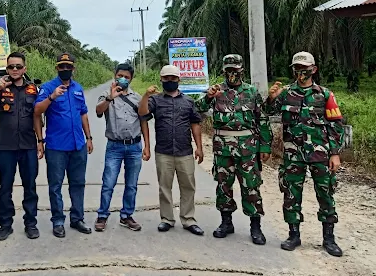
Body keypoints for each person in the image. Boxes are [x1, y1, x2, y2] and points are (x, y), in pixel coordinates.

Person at [264, 51, 344, 257]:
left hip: (321, 154)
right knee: (291, 193)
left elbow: (336, 126)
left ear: (314, 69)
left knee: (326, 194)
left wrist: (334, 154)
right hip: (293, 154)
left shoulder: (325, 95)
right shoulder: (286, 93)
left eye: (305, 69)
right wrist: (271, 98)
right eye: (297, 69)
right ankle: (293, 235)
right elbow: (267, 112)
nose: (301, 73)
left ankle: (329, 238)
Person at [195, 54, 272, 245]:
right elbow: (197, 109)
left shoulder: (252, 92)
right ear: (224, 71)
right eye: (228, 71)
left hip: (247, 147)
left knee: (251, 186)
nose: (232, 75)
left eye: (235, 71)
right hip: (223, 148)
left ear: (241, 71)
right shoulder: (216, 91)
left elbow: (262, 120)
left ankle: (256, 227)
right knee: (223, 186)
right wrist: (208, 96)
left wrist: (265, 146)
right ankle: (226, 223)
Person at [138, 64, 205, 236]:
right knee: (165, 187)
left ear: (178, 80)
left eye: (173, 78)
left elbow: (195, 124)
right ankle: (167, 219)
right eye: (166, 78)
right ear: (161, 79)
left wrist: (200, 148)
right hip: (163, 152)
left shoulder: (188, 101)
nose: (169, 81)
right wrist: (146, 95)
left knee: (188, 186)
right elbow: (143, 113)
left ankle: (188, 219)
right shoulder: (155, 100)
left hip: (185, 151)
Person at [34, 52, 94, 238]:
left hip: (78, 145)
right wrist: (52, 97)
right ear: (57, 68)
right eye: (62, 66)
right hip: (56, 146)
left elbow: (83, 113)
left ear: (73, 68)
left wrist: (89, 137)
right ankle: (58, 221)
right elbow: (37, 111)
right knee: (55, 186)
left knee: (78, 184)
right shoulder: (47, 88)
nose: (65, 69)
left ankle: (77, 219)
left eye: (69, 66)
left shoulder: (78, 88)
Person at [0, 52, 43, 241]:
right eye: (11, 67)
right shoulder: (1, 87)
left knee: (30, 186)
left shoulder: (33, 90)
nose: (15, 70)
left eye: (19, 66)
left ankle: (31, 223)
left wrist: (40, 141)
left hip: (28, 146)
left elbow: (38, 117)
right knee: (5, 187)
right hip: (6, 146)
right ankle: (5, 225)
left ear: (24, 68)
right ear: (7, 69)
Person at [94, 63, 151, 232]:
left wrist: (147, 146)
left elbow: (144, 121)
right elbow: (98, 111)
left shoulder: (137, 98)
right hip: (114, 146)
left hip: (134, 146)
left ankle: (126, 215)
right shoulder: (106, 95)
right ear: (115, 75)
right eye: (120, 76)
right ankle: (102, 215)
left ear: (131, 79)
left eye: (126, 77)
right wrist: (111, 97)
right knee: (108, 183)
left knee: (131, 184)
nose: (123, 79)